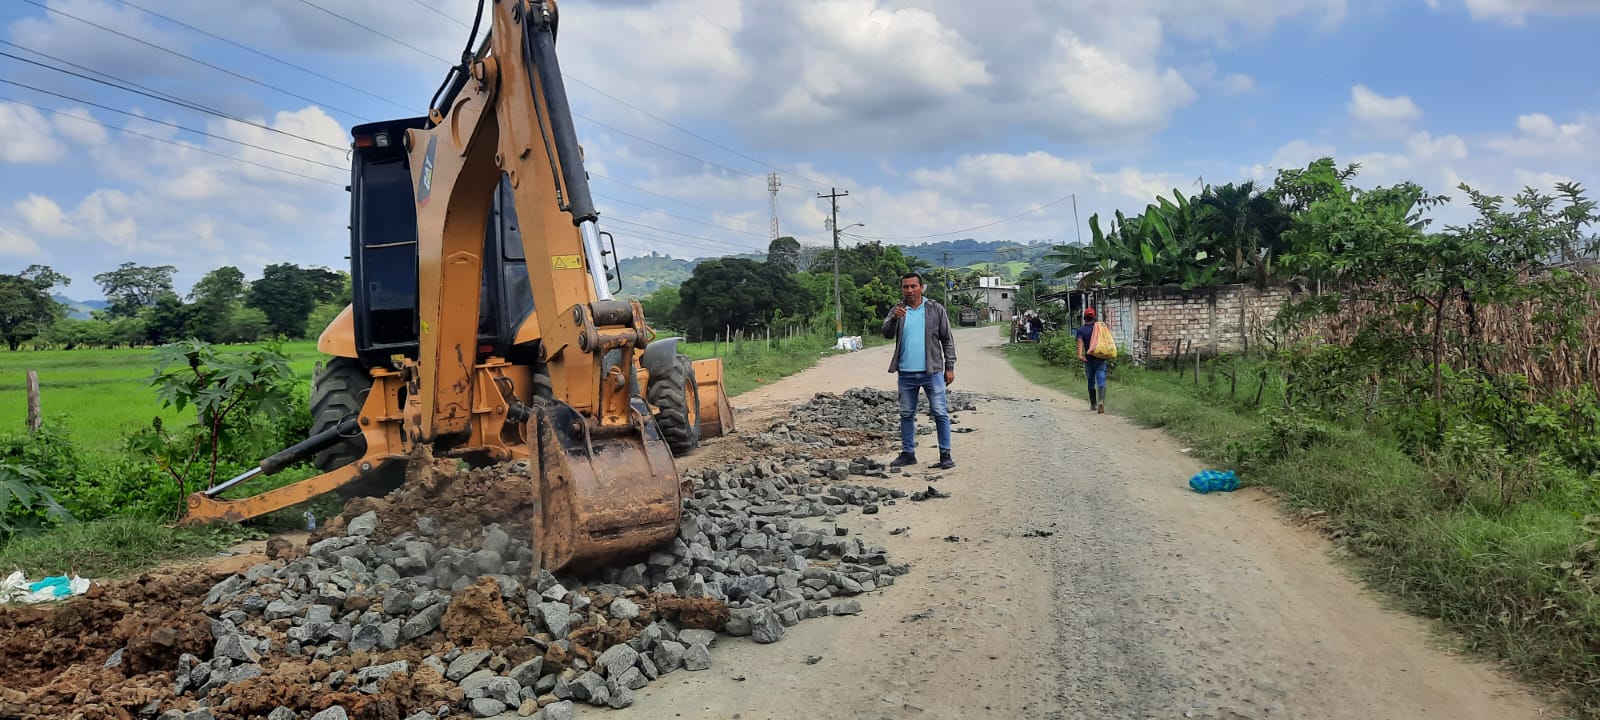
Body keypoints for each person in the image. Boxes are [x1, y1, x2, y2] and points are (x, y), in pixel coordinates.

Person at [882, 272, 957, 469]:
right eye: (905, 287)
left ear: (921, 288)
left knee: (940, 412)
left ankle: (945, 454)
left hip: (932, 372)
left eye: (913, 286)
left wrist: (949, 367)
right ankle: (908, 453)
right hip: (906, 373)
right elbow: (886, 333)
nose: (909, 290)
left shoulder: (935, 309)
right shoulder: (898, 310)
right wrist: (893, 319)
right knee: (906, 414)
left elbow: (947, 339)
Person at [1075, 307, 1108, 414]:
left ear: (1084, 317)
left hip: (1088, 359)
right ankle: (1101, 401)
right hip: (1100, 357)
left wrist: (1080, 355)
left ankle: (1093, 404)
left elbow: (1080, 342)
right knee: (1101, 379)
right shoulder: (1100, 328)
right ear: (1094, 317)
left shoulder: (1081, 330)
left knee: (1091, 381)